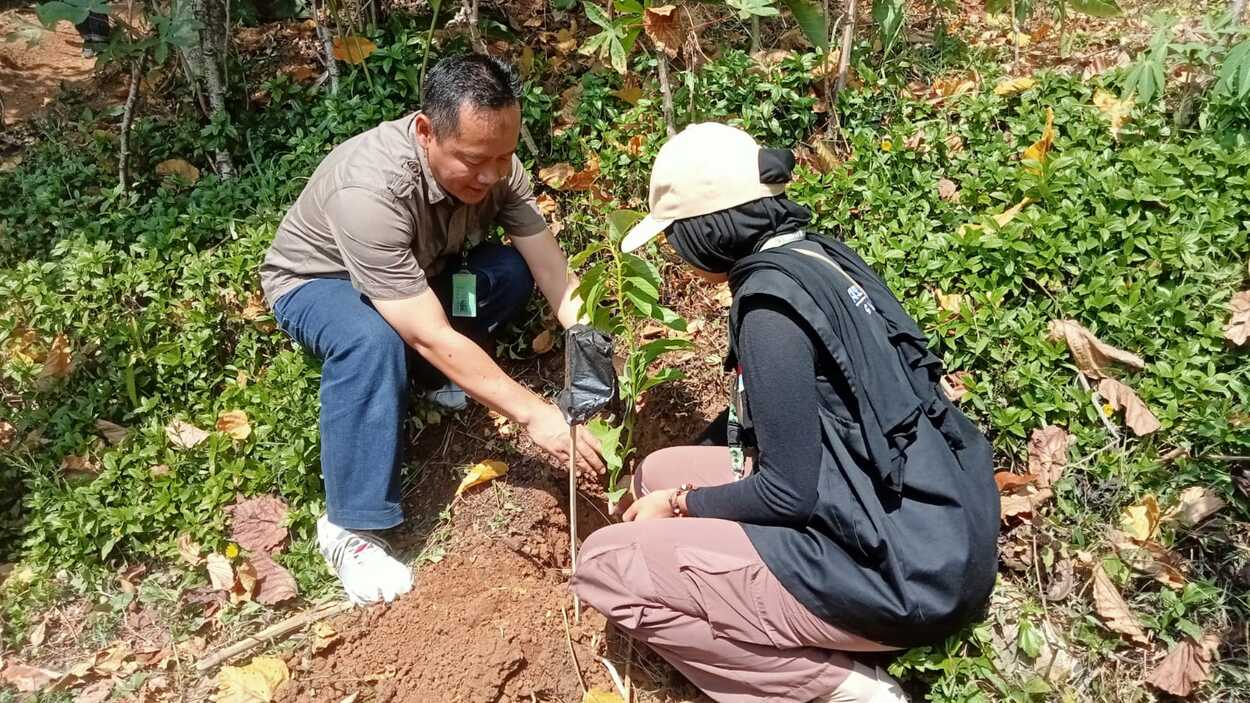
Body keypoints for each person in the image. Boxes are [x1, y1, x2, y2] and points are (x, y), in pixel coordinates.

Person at [570, 123, 999, 703]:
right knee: (657, 469)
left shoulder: (768, 313)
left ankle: (843, 687)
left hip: (905, 577)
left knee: (603, 565)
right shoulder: (813, 258)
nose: (673, 251)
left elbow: (788, 494)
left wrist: (681, 506)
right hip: (935, 526)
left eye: (673, 235)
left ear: (703, 231)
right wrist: (673, 492)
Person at [261, 54, 603, 605]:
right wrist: (537, 414)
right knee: (369, 339)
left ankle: (429, 379)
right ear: (426, 131)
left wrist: (592, 345)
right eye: (473, 161)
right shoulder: (368, 192)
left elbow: (549, 266)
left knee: (506, 271)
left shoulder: (497, 165)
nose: (492, 175)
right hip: (322, 284)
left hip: (416, 279)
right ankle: (350, 528)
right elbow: (427, 332)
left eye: (505, 155)